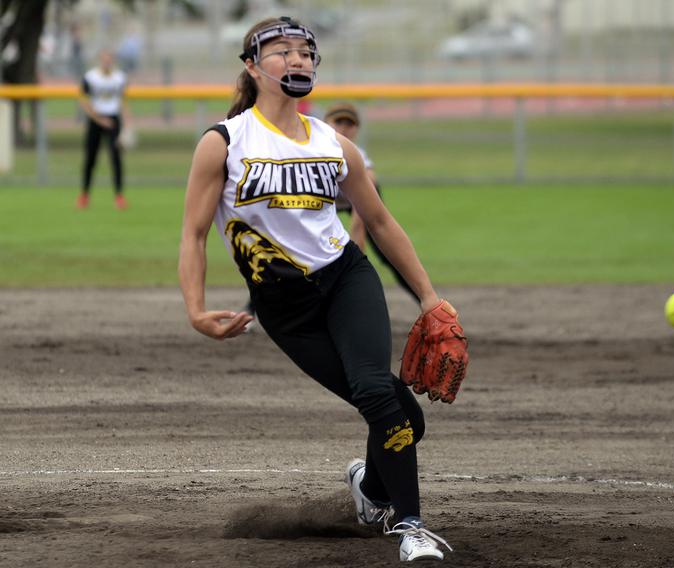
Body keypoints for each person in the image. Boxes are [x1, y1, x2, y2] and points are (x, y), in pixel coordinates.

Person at [178, 17, 454, 562]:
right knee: (405, 418)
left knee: (378, 393)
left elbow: (380, 222)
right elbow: (193, 232)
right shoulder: (225, 142)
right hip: (286, 310)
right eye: (283, 51)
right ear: (252, 66)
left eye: (306, 52)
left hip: (346, 279)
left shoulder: (335, 144)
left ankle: (411, 526)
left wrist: (429, 296)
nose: (299, 59)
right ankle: (371, 490)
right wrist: (195, 310)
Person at [323, 102, 418, 302]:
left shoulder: (359, 160)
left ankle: (428, 304)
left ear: (357, 129)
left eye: (350, 123)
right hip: (324, 201)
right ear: (325, 123)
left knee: (388, 253)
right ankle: (251, 308)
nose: (344, 128)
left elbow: (360, 224)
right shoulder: (310, 155)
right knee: (293, 249)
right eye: (338, 122)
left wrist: (353, 269)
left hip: (355, 200)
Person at [76, 49, 129, 210]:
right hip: (96, 120)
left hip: (113, 121)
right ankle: (84, 195)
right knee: (90, 159)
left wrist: (127, 125)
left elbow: (123, 101)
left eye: (109, 59)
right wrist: (99, 120)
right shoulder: (91, 77)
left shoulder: (120, 78)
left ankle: (119, 196)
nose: (107, 62)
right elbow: (84, 101)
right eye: (104, 59)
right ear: (100, 60)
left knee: (116, 159)